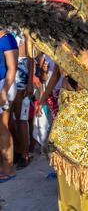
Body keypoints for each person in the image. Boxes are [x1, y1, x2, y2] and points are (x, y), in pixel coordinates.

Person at [11, 33, 34, 170]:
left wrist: (30, 82)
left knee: (20, 115)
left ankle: (25, 154)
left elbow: (30, 55)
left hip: (20, 67)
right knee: (8, 117)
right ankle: (18, 148)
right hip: (5, 66)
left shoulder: (24, 24)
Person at [0, 27, 18, 182]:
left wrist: (3, 92)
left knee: (3, 127)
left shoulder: (7, 38)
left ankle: (8, 168)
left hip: (3, 86)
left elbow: (12, 68)